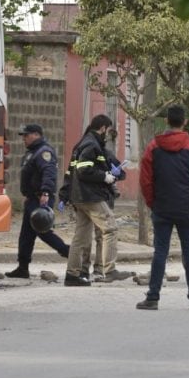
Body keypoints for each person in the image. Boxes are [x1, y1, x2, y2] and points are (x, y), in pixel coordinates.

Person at [136, 105, 189, 310]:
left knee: (160, 251)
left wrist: (153, 202)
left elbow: (145, 181)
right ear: (184, 122)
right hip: (187, 209)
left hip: (162, 207)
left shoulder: (153, 147)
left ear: (166, 121)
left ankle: (152, 297)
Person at [65, 114, 131, 286]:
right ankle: (109, 270)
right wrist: (105, 177)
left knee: (80, 237)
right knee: (110, 228)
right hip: (90, 196)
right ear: (103, 128)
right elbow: (83, 170)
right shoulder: (91, 143)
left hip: (79, 196)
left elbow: (75, 170)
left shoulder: (86, 143)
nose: (108, 134)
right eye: (108, 130)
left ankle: (72, 275)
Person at [5, 124, 69, 279]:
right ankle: (22, 267)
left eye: (26, 136)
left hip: (41, 198)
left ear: (36, 135)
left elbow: (49, 172)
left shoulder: (44, 152)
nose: (23, 139)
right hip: (32, 198)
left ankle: (71, 254)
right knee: (26, 235)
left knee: (44, 232)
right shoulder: (32, 153)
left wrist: (45, 192)